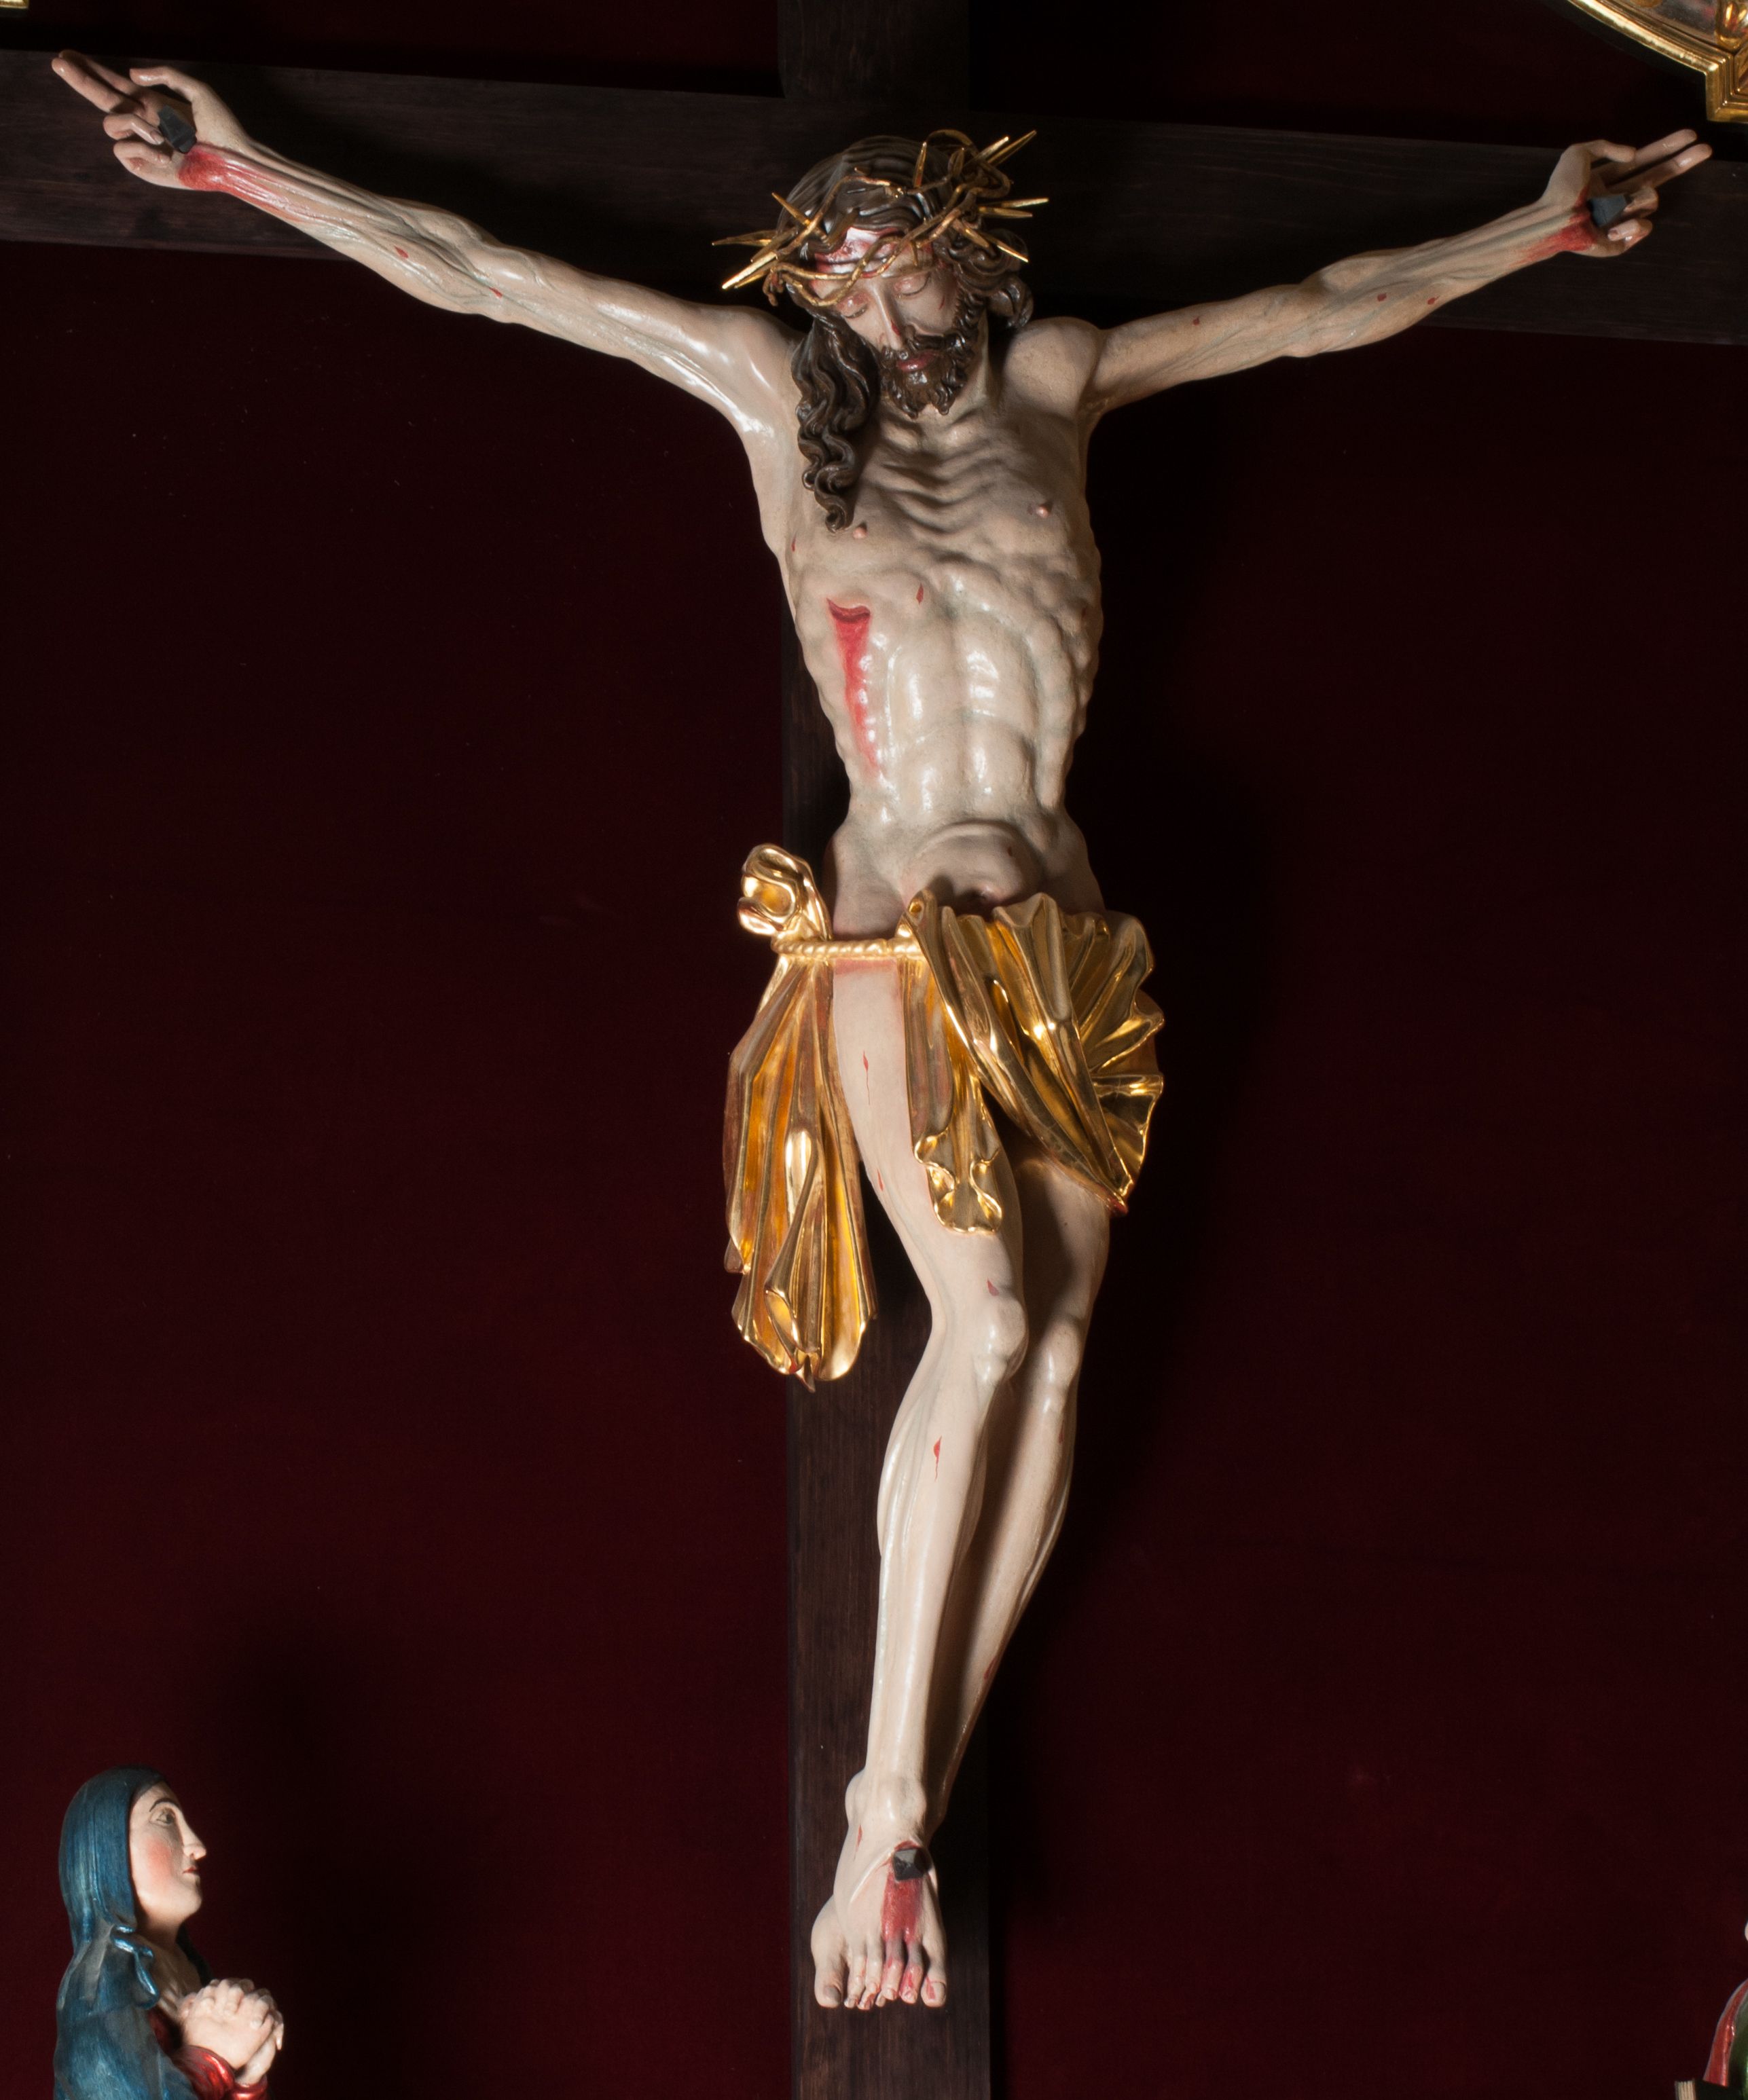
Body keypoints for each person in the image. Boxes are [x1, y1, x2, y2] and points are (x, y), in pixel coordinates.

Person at [49, 51, 1711, 2013]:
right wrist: (237, 169)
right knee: (984, 1319)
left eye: (886, 254)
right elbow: (488, 272)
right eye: (828, 267)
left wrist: (1542, 221)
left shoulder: (1059, 381)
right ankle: (882, 1800)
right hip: (887, 923)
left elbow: (1318, 306)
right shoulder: (773, 400)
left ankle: (904, 1816)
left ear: (963, 248)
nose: (854, 292)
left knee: (1058, 1347)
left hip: (1061, 931)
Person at [54, 1767, 285, 2100]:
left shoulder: (189, 1967)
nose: (196, 1847)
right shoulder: (96, 1990)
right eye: (165, 1819)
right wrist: (210, 2059)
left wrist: (247, 2078)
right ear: (108, 1850)